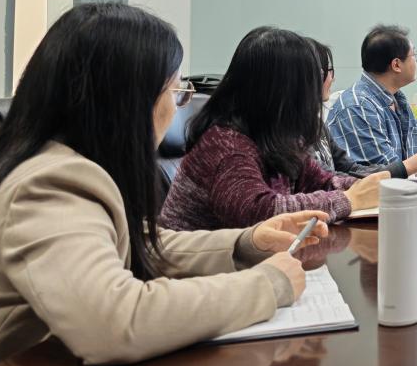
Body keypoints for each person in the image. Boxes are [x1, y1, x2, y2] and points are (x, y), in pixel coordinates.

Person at [0, 3, 328, 366]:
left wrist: (247, 242)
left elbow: (142, 244)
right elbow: (113, 323)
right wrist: (267, 285)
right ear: (128, 101)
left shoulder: (52, 161)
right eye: (176, 93)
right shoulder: (50, 183)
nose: (176, 109)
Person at [161, 27, 385, 231]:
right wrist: (349, 199)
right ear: (283, 93)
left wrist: (370, 189)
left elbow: (323, 182)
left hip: (255, 259)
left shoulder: (276, 136)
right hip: (202, 263)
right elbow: (259, 212)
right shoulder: (224, 144)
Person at [326, 25, 417, 178]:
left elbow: (415, 149)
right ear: (396, 65)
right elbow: (386, 171)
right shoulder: (358, 106)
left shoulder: (398, 98)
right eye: (414, 55)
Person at [307, 38, 380, 178]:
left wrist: (403, 168)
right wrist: (405, 168)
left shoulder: (316, 124)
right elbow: (329, 180)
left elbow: (349, 168)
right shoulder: (356, 105)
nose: (332, 78)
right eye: (328, 71)